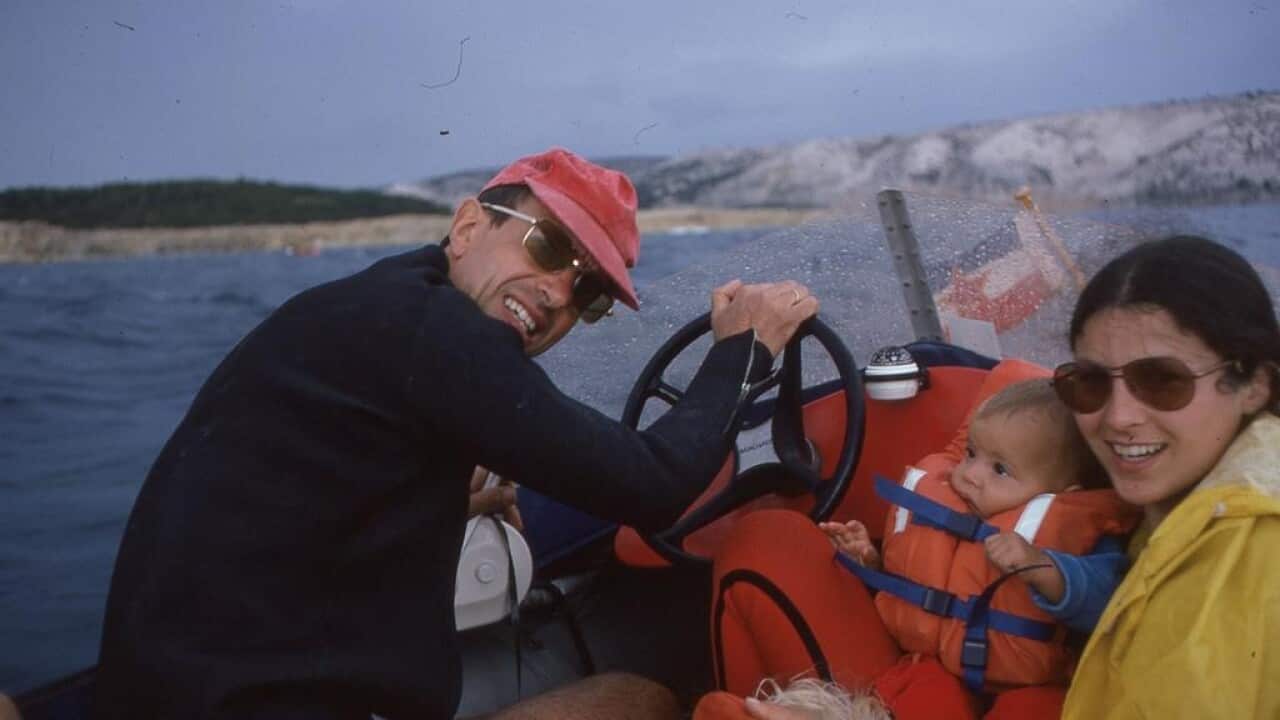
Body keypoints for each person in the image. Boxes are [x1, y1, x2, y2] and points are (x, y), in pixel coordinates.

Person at [93, 147, 820, 719]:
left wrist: (448, 498)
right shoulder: (437, 338)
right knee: (640, 701)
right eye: (547, 248)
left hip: (173, 692)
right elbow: (656, 484)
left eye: (589, 292)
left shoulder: (379, 307)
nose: (559, 293)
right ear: (470, 225)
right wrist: (745, 350)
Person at [694, 375, 1137, 720]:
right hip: (939, 665)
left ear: (1062, 492)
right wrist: (870, 560)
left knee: (1038, 710)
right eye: (970, 454)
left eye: (999, 469)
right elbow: (923, 580)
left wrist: (1045, 568)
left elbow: (1108, 598)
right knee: (920, 685)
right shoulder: (954, 504)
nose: (970, 475)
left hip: (1029, 684)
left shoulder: (1080, 531)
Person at [1054, 235, 1280, 718]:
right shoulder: (1188, 508)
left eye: (1161, 380)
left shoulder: (1238, 556)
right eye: (1091, 382)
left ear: (1254, 386)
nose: (1118, 417)